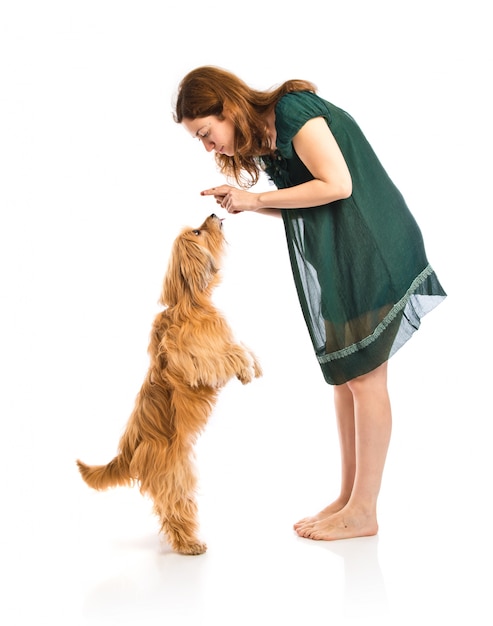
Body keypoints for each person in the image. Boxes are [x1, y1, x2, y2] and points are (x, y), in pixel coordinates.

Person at [173, 66, 446, 541]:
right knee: (347, 378)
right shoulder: (270, 140)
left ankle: (364, 510)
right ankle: (348, 498)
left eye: (206, 133)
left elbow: (337, 184)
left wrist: (257, 199)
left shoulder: (292, 110)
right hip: (342, 252)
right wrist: (246, 202)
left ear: (226, 106)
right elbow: (307, 199)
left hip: (370, 243)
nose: (208, 146)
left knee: (366, 378)